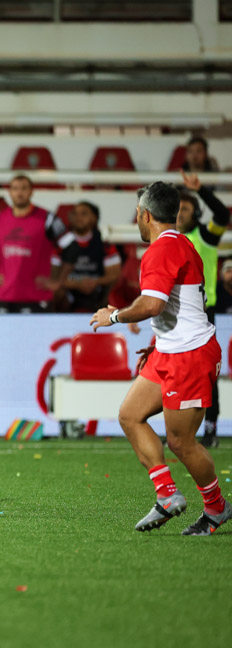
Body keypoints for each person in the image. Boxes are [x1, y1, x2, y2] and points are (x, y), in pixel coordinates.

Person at [91, 181, 228, 536]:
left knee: (181, 441)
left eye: (137, 213)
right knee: (130, 415)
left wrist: (113, 316)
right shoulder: (179, 243)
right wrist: (157, 342)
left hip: (190, 355)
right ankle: (167, 494)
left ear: (145, 215)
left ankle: (217, 508)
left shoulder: (162, 249)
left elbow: (152, 304)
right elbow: (180, 305)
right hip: (169, 350)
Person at [176, 170, 229, 447]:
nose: (180, 213)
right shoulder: (169, 240)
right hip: (174, 313)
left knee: (206, 373)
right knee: (176, 372)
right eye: (177, 209)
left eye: (185, 209)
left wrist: (200, 190)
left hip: (201, 315)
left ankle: (211, 428)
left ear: (196, 213)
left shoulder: (206, 236)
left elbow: (222, 214)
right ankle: (177, 429)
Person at [0, 174, 70, 313]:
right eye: (15, 189)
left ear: (31, 191)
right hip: (6, 296)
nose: (19, 193)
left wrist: (58, 282)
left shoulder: (47, 219)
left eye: (24, 188)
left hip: (38, 297)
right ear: (10, 192)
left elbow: (71, 247)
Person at [56, 202, 121, 312]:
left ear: (94, 218)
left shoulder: (104, 245)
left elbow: (115, 275)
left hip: (97, 290)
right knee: (57, 291)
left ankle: (108, 317)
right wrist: (77, 284)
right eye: (75, 214)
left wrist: (95, 282)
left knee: (115, 289)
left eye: (84, 214)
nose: (78, 217)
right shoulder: (60, 244)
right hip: (68, 291)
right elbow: (53, 277)